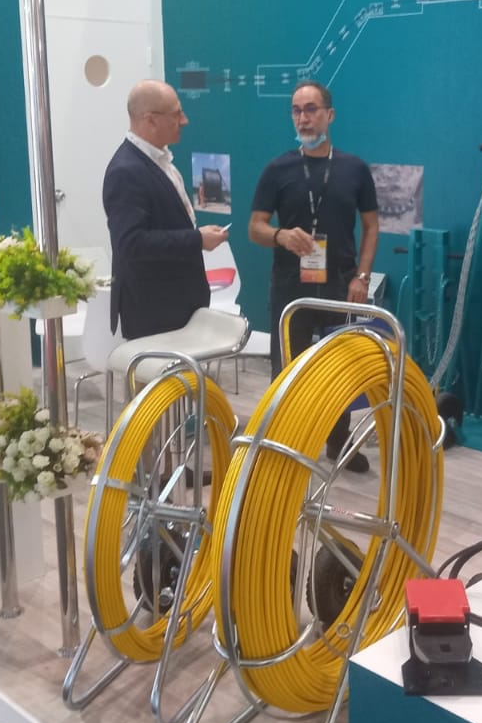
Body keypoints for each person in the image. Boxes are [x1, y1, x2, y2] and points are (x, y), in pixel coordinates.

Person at [249, 80, 378, 472]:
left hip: (340, 284)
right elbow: (255, 227)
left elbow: (371, 226)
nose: (303, 118)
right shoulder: (277, 169)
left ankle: (338, 443)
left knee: (339, 368)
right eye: (296, 110)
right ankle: (284, 445)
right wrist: (280, 236)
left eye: (311, 109)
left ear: (329, 114)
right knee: (287, 370)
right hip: (290, 287)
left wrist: (362, 276)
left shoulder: (354, 168)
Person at [103, 79, 229, 340]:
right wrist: (197, 239)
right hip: (154, 313)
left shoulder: (159, 160)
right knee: (163, 371)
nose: (184, 121)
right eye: (176, 114)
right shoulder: (126, 171)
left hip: (177, 306)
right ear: (150, 120)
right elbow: (131, 243)